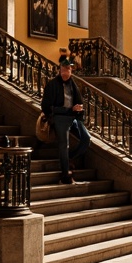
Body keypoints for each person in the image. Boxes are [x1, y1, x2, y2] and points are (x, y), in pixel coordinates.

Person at [41, 56, 90, 184]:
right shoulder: (52, 85)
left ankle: (68, 158)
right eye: (64, 69)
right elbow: (46, 106)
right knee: (64, 144)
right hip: (60, 117)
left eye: (68, 69)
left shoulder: (73, 84)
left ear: (71, 71)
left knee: (86, 138)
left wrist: (79, 108)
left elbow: (78, 100)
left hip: (73, 117)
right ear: (60, 70)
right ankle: (65, 174)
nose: (66, 72)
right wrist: (62, 111)